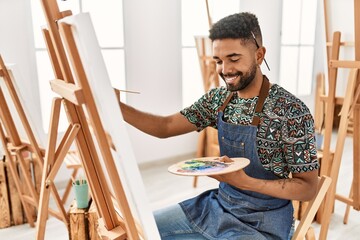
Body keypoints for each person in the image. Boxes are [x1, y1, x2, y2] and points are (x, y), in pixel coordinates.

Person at [120, 12, 319, 240]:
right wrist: (115, 105)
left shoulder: (290, 111)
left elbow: (307, 187)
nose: (225, 70)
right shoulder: (218, 100)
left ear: (259, 55)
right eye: (218, 61)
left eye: (234, 59)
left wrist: (247, 182)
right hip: (216, 208)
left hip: (263, 223)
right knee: (138, 229)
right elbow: (164, 127)